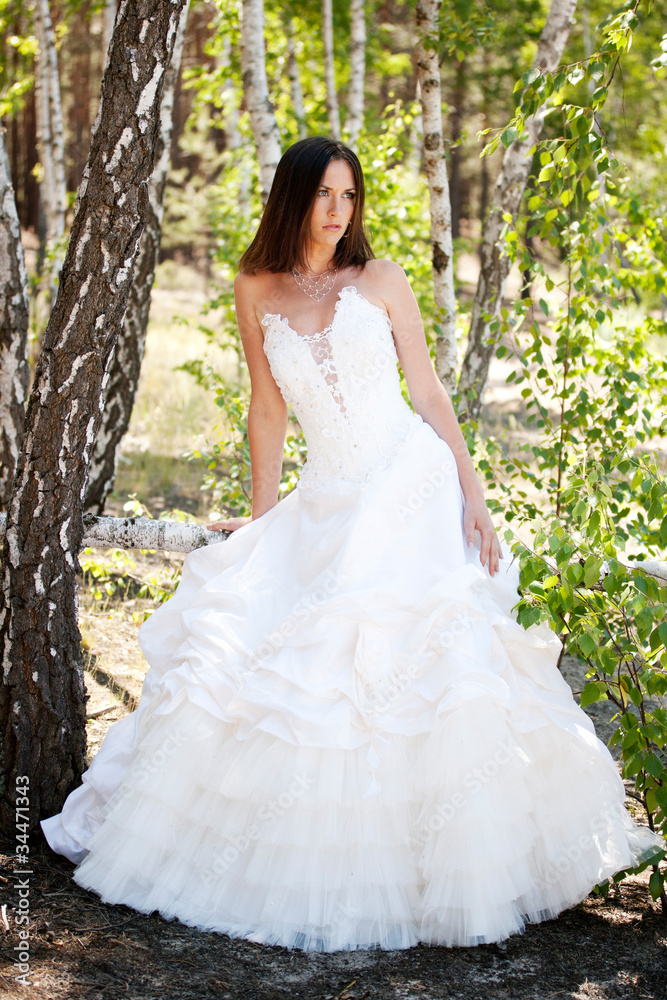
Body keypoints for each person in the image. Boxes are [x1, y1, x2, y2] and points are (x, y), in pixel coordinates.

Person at [41, 136, 664, 952]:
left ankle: (459, 858)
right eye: (324, 195)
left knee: (429, 658)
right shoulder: (254, 288)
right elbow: (267, 408)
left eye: (350, 196)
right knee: (283, 664)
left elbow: (429, 392)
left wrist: (474, 498)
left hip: (410, 482)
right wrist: (263, 522)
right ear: (293, 197)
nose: (338, 213)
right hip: (326, 493)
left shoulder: (381, 280)